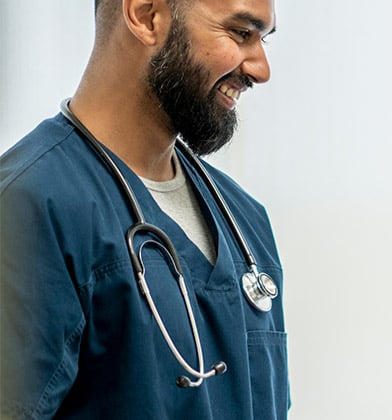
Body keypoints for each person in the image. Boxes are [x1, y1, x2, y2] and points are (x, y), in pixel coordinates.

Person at [0, 0, 286, 418]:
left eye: (263, 39)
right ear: (146, 15)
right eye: (241, 33)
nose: (261, 69)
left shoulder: (246, 224)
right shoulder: (27, 208)